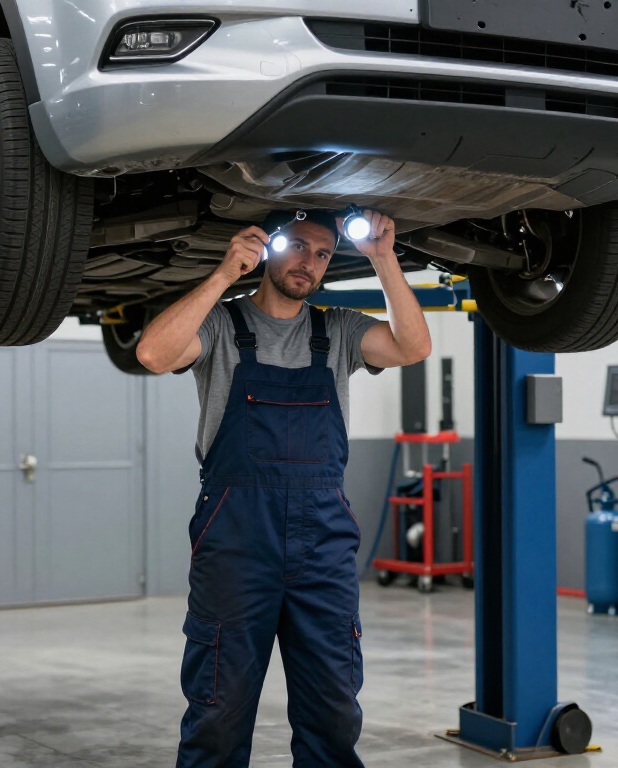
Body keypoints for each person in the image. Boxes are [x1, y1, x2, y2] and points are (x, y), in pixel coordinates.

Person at [136, 208, 431, 767]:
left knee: (333, 708)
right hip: (237, 541)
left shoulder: (338, 329)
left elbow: (412, 347)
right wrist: (225, 273)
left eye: (321, 254)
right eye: (297, 246)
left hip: (322, 542)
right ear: (266, 245)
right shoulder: (222, 325)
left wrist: (383, 259)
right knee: (219, 708)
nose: (308, 263)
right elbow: (152, 354)